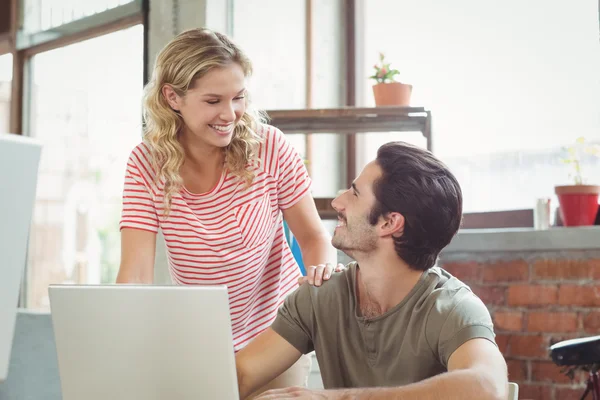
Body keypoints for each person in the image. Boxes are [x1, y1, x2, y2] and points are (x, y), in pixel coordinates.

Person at [116, 28, 341, 395]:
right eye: (213, 100)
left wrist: (318, 282)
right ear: (173, 97)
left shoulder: (270, 147)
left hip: (276, 336)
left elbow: (314, 237)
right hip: (198, 342)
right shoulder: (146, 164)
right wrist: (122, 343)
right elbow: (136, 273)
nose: (230, 113)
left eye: (238, 98)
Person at [235, 142, 508, 400]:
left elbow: (487, 387)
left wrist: (341, 397)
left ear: (389, 222)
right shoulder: (319, 297)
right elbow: (241, 375)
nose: (337, 202)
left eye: (354, 193)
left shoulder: (452, 308)